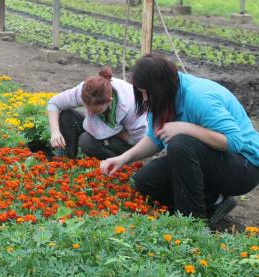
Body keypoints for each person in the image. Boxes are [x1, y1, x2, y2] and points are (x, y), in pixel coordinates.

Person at [100, 54, 259, 227]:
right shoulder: (162, 98)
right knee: (145, 180)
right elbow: (155, 139)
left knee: (180, 144)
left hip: (243, 167)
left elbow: (234, 142)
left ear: (161, 87)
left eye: (146, 93)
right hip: (213, 161)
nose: (144, 99)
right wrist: (123, 158)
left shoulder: (198, 97)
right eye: (141, 93)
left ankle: (193, 225)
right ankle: (213, 201)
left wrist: (185, 127)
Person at [47, 68, 147, 160]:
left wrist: (115, 131)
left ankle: (120, 166)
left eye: (96, 111)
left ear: (110, 101)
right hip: (98, 129)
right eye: (87, 107)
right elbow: (54, 104)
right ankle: (64, 162)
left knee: (86, 141)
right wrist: (55, 132)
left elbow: (140, 141)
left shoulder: (131, 105)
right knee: (66, 116)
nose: (89, 113)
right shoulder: (87, 91)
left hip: (126, 144)